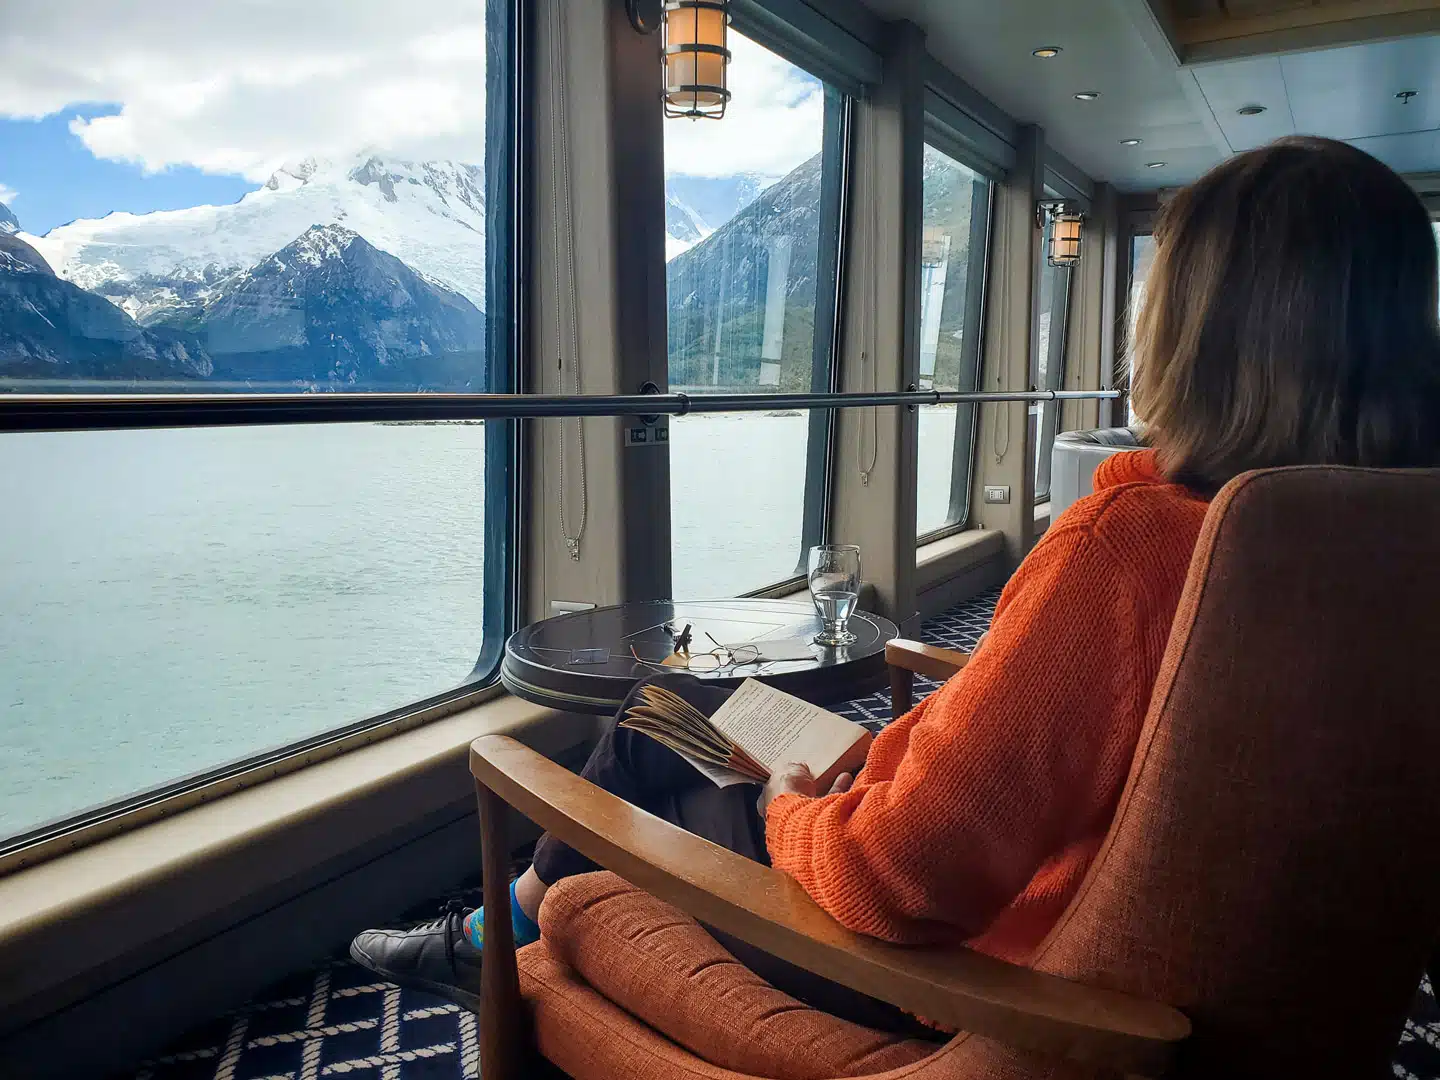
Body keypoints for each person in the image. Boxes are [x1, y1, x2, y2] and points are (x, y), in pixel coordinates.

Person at [349, 136, 1440, 1030]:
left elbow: (897, 880)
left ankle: (499, 938)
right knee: (692, 698)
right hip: (1091, 910)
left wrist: (790, 816)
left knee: (656, 724)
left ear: (1197, 332)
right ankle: (511, 924)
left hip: (969, 974)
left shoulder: (1136, 545)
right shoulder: (1376, 549)